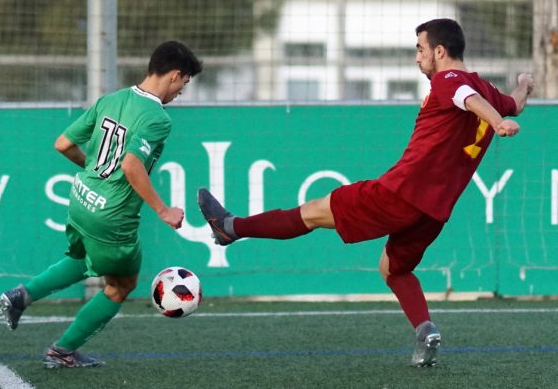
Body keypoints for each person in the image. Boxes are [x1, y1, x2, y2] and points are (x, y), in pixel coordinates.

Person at [197, 18, 534, 367]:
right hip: (434, 212)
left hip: (399, 193)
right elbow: (514, 103)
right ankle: (426, 330)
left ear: (439, 51)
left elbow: (469, 99)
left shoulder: (451, 81)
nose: (417, 58)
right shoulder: (485, 88)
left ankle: (230, 227)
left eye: (420, 50)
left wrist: (497, 123)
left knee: (311, 212)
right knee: (393, 270)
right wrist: (523, 86)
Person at [0, 41, 202, 368]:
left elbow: (63, 144)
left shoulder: (112, 99)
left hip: (81, 199)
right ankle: (62, 350)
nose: (181, 92)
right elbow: (131, 165)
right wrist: (163, 210)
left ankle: (20, 296)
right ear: (175, 75)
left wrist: (93, 171)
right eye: (184, 84)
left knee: (84, 257)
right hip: (112, 218)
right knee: (122, 284)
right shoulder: (158, 118)